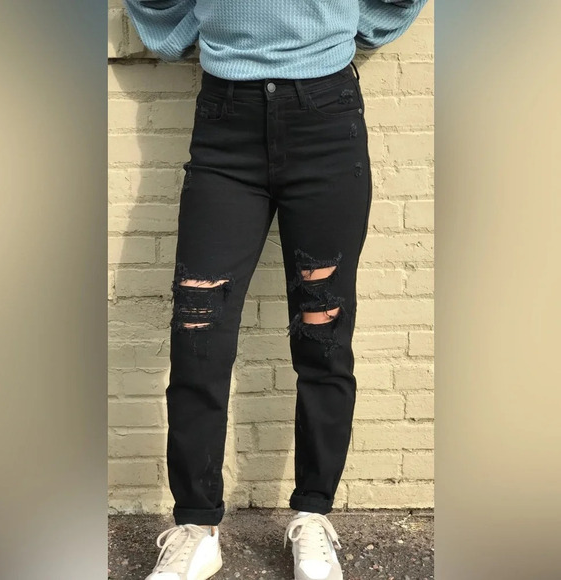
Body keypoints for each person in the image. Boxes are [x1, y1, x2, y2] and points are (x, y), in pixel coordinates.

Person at [122, 1, 427, 579]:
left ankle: (313, 514)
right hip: (225, 123)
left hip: (327, 117)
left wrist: (344, 18)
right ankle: (196, 526)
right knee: (197, 332)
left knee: (323, 332)